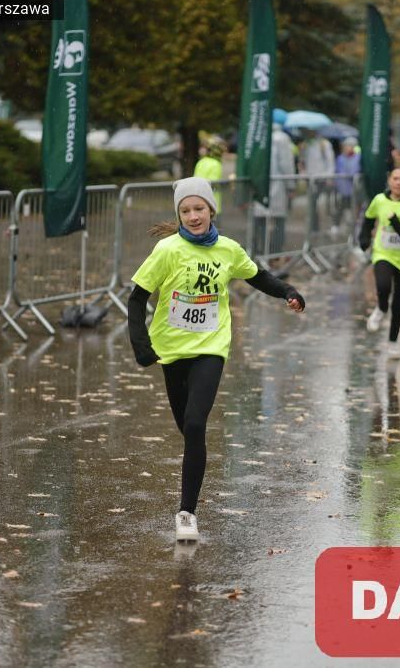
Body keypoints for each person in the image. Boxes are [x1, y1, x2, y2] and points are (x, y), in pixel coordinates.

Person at [127, 177, 306, 542]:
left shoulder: (228, 249)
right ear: (179, 214)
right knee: (187, 429)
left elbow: (258, 276)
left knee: (195, 424)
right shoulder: (167, 250)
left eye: (199, 208)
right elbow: (136, 298)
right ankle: (195, 469)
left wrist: (287, 290)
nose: (193, 216)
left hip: (211, 346)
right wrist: (141, 344)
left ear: (211, 209)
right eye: (186, 211)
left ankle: (186, 514)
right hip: (171, 349)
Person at [358, 166, 400, 359]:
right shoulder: (380, 200)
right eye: (395, 178)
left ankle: (393, 341)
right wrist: (364, 238)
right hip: (384, 254)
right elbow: (368, 218)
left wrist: (396, 223)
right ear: (389, 180)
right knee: (383, 285)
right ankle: (381, 307)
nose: (398, 182)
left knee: (399, 303)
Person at [253, 119, 296, 256]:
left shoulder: (258, 135)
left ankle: (259, 250)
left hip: (261, 184)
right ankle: (275, 252)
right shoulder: (282, 138)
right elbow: (286, 164)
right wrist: (291, 186)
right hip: (279, 184)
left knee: (260, 219)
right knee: (278, 220)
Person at [299, 131, 335, 234]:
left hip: (321, 178)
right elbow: (303, 161)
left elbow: (330, 162)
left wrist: (329, 177)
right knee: (312, 203)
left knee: (316, 202)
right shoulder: (306, 145)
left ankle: (318, 227)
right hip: (310, 178)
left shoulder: (324, 144)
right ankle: (314, 227)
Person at [334, 137, 362, 235]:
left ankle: (355, 228)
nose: (346, 148)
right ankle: (336, 226)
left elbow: (355, 171)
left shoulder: (358, 157)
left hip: (355, 190)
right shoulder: (340, 158)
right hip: (343, 190)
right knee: (341, 208)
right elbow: (340, 172)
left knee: (356, 209)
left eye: (349, 146)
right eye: (345, 146)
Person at [193, 139, 224, 212]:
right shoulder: (216, 164)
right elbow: (214, 183)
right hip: (212, 202)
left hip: (198, 199)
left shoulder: (201, 162)